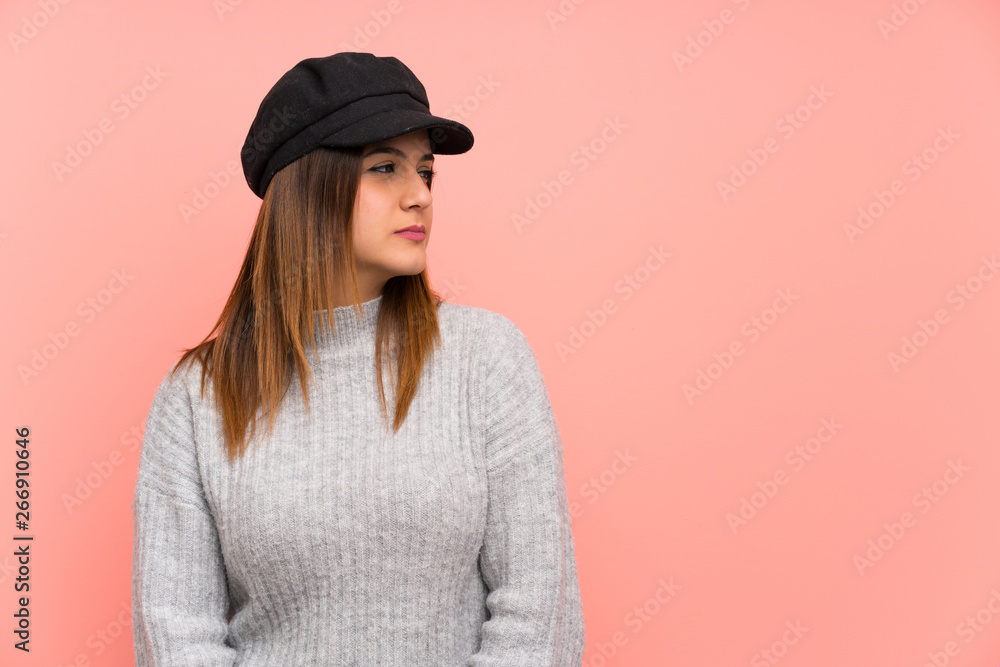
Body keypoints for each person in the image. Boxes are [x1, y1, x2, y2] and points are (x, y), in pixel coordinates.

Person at [130, 52, 586, 665]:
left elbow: (539, 612)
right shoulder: (199, 395)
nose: (419, 195)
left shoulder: (486, 358)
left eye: (426, 171)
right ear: (309, 186)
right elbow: (175, 632)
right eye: (385, 167)